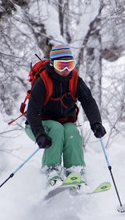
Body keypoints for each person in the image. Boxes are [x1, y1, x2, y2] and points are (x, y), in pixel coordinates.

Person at [25, 44, 107, 187]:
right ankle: (51, 170)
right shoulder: (43, 81)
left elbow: (88, 101)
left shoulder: (75, 79)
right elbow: (33, 111)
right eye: (61, 65)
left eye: (69, 65)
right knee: (56, 129)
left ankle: (75, 171)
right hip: (37, 126)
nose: (65, 70)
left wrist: (96, 123)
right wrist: (39, 134)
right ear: (52, 64)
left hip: (63, 124)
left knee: (71, 131)